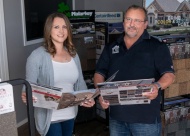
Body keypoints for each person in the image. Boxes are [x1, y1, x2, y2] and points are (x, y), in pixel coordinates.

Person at [94, 5, 175, 136]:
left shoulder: (157, 47)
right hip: (117, 118)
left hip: (145, 120)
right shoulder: (111, 46)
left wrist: (157, 86)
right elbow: (99, 73)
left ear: (145, 24)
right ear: (124, 22)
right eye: (129, 19)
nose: (132, 24)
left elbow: (169, 75)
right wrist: (101, 93)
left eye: (137, 20)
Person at [21, 12, 95, 136]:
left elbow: (80, 82)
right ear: (49, 30)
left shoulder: (73, 54)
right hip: (49, 118)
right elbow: (28, 86)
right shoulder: (37, 56)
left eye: (64, 27)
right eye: (56, 27)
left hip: (70, 114)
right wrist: (25, 94)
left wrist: (88, 98)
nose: (61, 31)